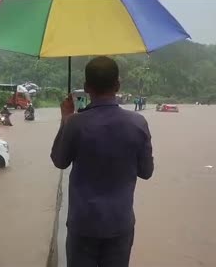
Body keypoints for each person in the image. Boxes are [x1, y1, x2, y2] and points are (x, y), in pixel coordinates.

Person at [50, 56, 154, 267]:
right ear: (117, 85)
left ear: (87, 87)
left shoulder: (76, 124)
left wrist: (65, 119)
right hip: (119, 223)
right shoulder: (138, 123)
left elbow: (59, 161)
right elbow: (146, 171)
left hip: (83, 224)